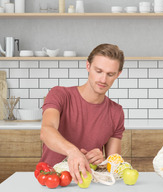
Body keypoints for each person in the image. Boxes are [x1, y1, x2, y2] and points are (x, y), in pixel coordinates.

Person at [39, 43, 125, 184]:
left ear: (118, 74)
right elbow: (47, 130)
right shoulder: (60, 95)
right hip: (53, 181)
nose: (103, 80)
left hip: (89, 183)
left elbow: (114, 164)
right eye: (98, 71)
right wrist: (73, 152)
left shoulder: (116, 112)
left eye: (110, 74)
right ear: (88, 66)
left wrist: (102, 161)